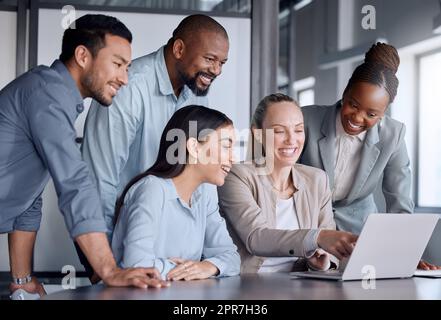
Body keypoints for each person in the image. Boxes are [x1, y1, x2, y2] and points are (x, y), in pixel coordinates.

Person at [0, 14, 169, 299]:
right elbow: (75, 184)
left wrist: (22, 279)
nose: (125, 79)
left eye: (127, 68)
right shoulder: (47, 94)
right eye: (117, 64)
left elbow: (27, 199)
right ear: (82, 56)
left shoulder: (53, 97)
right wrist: (109, 270)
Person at [82, 14, 230, 242]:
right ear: (179, 49)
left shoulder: (197, 94)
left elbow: (197, 171)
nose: (217, 70)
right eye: (210, 59)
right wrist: (103, 258)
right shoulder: (129, 87)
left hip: (174, 241)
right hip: (126, 238)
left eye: (222, 63)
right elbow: (99, 178)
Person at [299, 42, 440, 270]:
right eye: (353, 105)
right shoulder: (305, 120)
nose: (357, 117)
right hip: (307, 231)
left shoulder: (393, 135)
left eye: (372, 114)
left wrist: (406, 254)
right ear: (345, 93)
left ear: (384, 113)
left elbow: (399, 203)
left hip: (359, 241)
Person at [217, 94, 358, 274]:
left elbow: (329, 251)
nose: (291, 140)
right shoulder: (236, 175)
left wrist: (320, 263)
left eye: (298, 130)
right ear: (258, 134)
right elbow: (256, 238)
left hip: (298, 286)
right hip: (248, 286)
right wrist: (317, 238)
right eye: (279, 131)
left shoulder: (317, 179)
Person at [111, 105, 240, 280]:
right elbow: (137, 265)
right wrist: (187, 269)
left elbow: (232, 258)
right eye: (226, 146)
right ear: (194, 148)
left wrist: (208, 266)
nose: (233, 158)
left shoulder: (204, 196)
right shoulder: (152, 189)